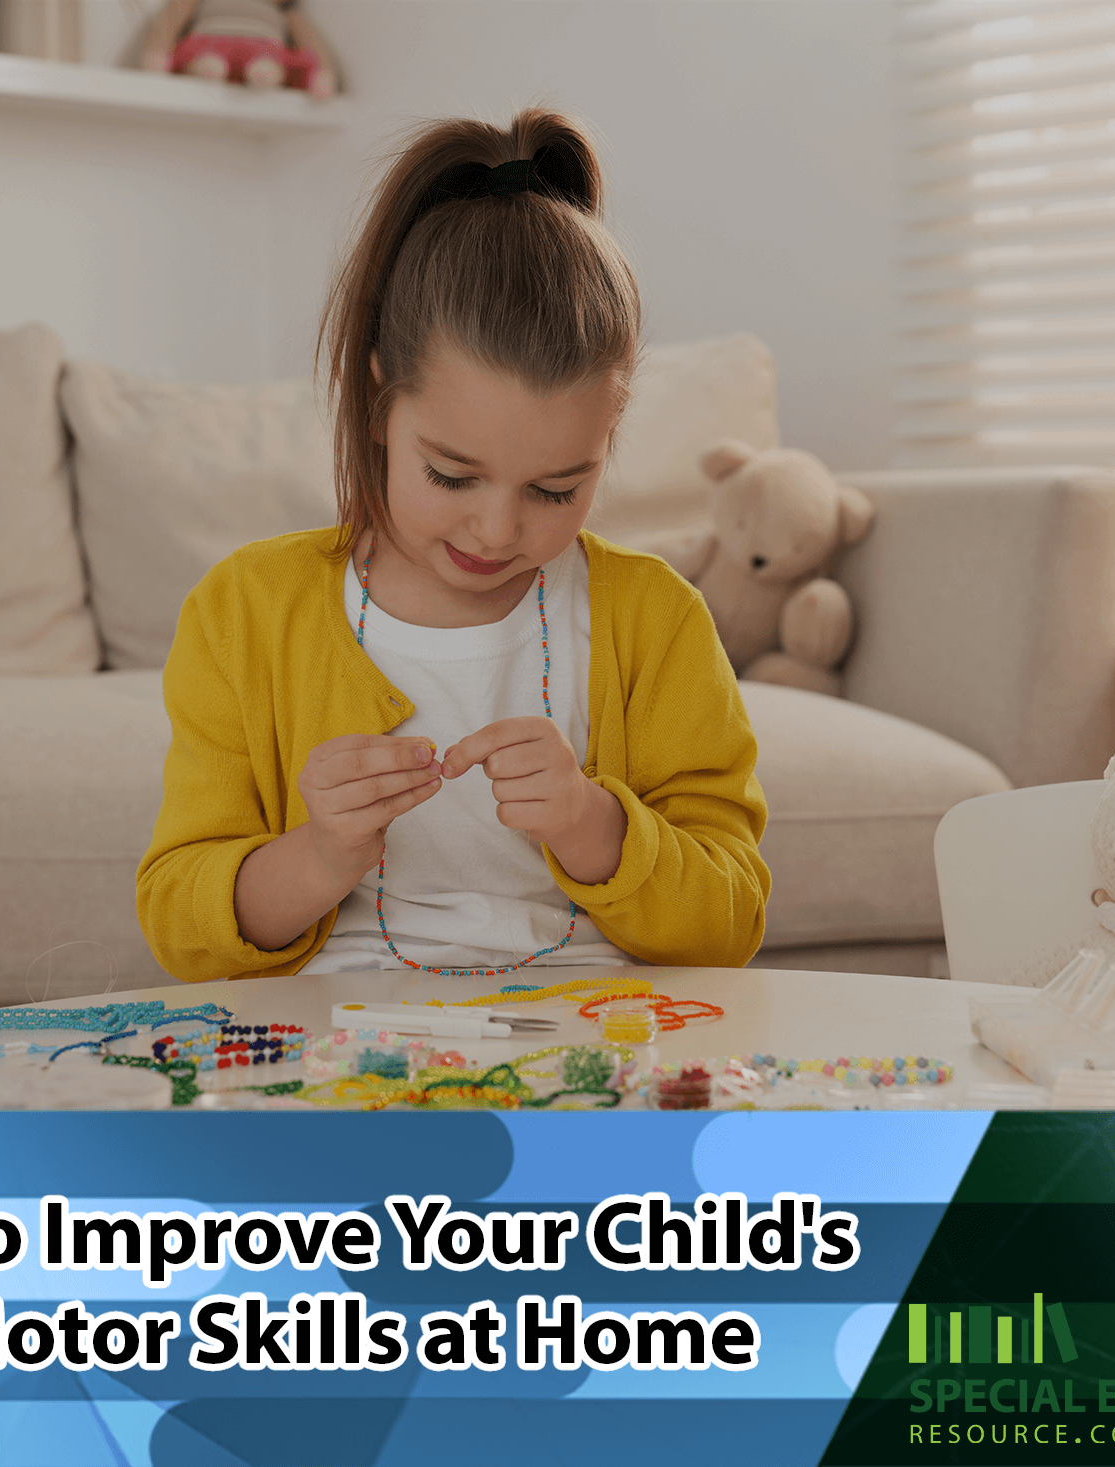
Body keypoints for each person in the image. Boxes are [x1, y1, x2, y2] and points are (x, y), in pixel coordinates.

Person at [137, 107, 770, 983]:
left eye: (556, 490)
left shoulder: (654, 620)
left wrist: (592, 823)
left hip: (596, 1024)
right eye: (451, 475)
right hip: (341, 1040)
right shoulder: (245, 610)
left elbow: (731, 921)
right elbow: (178, 921)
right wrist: (317, 856)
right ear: (377, 404)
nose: (498, 530)